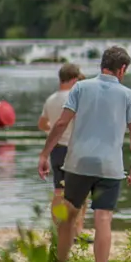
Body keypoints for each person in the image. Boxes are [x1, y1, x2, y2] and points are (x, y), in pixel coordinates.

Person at [37, 47, 131, 262]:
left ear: (102, 65)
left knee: (69, 217)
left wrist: (45, 154)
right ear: (123, 69)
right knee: (103, 218)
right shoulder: (128, 95)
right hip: (109, 166)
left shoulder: (80, 88)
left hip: (78, 163)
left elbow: (61, 123)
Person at [37, 62, 82, 223]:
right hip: (73, 149)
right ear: (74, 80)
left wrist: (53, 132)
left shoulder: (51, 99)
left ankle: (56, 228)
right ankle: (76, 231)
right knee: (79, 192)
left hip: (56, 149)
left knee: (58, 190)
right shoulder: (75, 97)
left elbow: (42, 124)